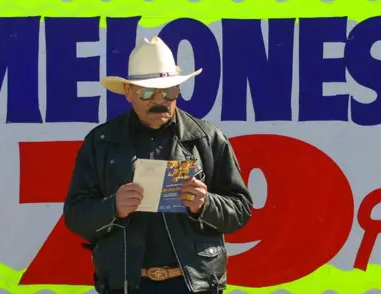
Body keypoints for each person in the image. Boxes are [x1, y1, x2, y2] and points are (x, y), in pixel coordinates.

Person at [63, 36, 253, 294]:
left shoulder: (207, 139)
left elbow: (240, 210)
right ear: (129, 93)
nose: (159, 100)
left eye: (169, 91)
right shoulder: (101, 142)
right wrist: (113, 207)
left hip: (193, 285)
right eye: (147, 92)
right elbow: (76, 215)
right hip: (126, 285)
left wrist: (205, 204)